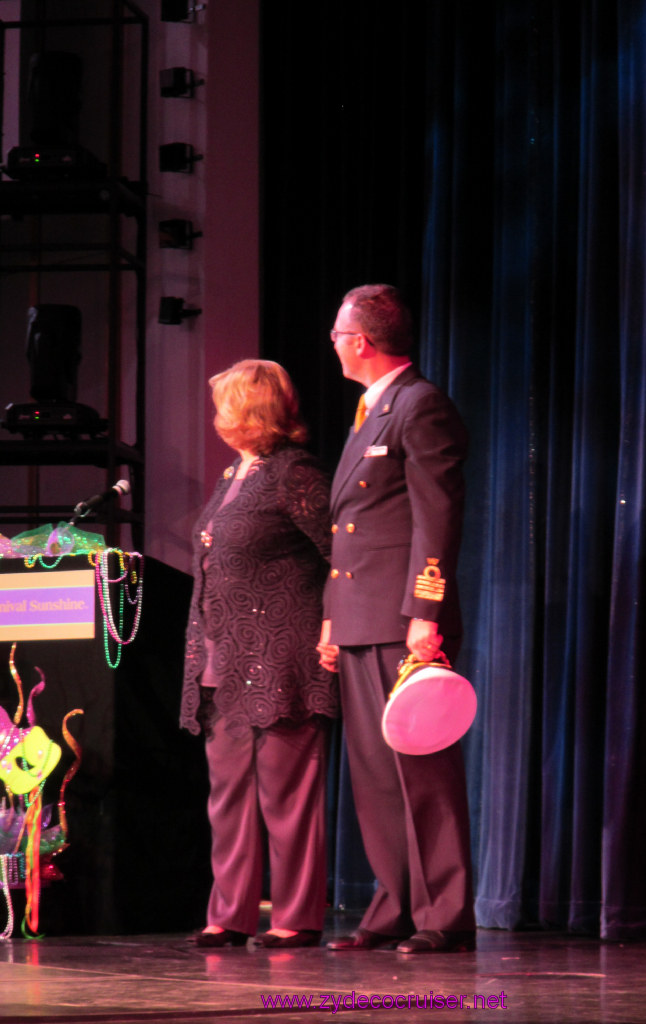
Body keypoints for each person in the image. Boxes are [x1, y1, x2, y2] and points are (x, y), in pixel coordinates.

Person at [317, 283, 476, 953]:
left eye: (337, 332)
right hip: (357, 616)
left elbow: (434, 514)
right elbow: (353, 526)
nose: (331, 342)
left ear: (364, 341)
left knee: (421, 771)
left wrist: (424, 612)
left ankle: (444, 914)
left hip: (402, 616)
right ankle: (396, 905)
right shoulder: (368, 409)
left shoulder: (419, 404)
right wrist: (330, 618)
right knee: (377, 776)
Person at [181, 359, 338, 949]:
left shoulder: (294, 473)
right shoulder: (233, 474)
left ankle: (296, 915)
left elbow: (340, 559)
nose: (217, 416)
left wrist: (332, 629)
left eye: (225, 404)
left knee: (287, 794)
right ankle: (229, 912)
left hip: (282, 659)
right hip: (221, 659)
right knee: (228, 797)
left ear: (251, 411)